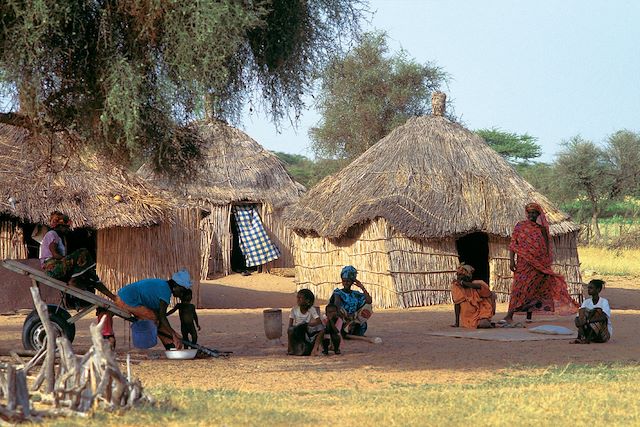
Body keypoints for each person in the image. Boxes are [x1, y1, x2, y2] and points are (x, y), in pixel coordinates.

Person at [502, 203, 577, 323]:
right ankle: (509, 315)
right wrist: (511, 261)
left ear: (538, 215)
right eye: (530, 213)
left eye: (534, 213)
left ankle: (528, 316)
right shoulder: (520, 226)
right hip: (523, 264)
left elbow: (546, 247)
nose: (531, 215)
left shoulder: (541, 230)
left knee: (534, 288)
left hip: (538, 265)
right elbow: (513, 245)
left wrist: (545, 263)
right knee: (518, 288)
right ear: (527, 214)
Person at [39, 211, 115, 301]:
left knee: (90, 274)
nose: (67, 230)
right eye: (66, 227)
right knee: (82, 251)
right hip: (52, 268)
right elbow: (55, 254)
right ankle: (74, 280)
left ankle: (113, 297)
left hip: (57, 266)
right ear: (60, 226)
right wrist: (70, 259)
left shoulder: (60, 237)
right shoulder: (52, 234)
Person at [115, 269, 193, 350]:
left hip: (124, 297)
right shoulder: (165, 292)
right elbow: (162, 317)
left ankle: (171, 343)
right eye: (181, 290)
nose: (181, 294)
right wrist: (173, 334)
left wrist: (173, 333)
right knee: (155, 319)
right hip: (126, 301)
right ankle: (171, 344)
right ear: (176, 286)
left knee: (157, 319)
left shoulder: (163, 285)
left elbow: (160, 315)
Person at [330, 266, 373, 337]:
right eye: (344, 281)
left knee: (368, 307)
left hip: (354, 319)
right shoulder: (338, 293)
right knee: (337, 312)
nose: (346, 283)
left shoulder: (356, 294)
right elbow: (337, 306)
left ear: (352, 282)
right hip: (342, 319)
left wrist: (362, 287)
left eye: (348, 281)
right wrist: (346, 317)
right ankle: (344, 328)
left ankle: (351, 328)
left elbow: (369, 301)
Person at [451, 263, 496, 329]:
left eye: (462, 275)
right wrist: (457, 323)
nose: (459, 278)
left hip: (481, 312)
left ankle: (487, 322)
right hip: (468, 317)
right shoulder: (456, 287)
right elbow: (457, 304)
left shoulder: (476, 283)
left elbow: (483, 289)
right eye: (459, 275)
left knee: (484, 324)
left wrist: (463, 283)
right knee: (481, 324)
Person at [573, 279, 612, 344]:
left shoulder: (604, 302)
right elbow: (578, 317)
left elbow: (604, 317)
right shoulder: (586, 302)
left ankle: (586, 339)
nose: (588, 289)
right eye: (588, 288)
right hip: (589, 332)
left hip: (602, 335)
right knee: (582, 312)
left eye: (591, 288)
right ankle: (580, 337)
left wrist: (588, 321)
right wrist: (579, 322)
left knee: (598, 311)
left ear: (598, 290)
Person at [287, 289, 323, 356]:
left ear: (307, 301)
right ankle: (291, 349)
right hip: (297, 329)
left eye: (300, 298)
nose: (298, 300)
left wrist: (308, 324)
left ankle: (315, 349)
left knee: (322, 329)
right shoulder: (294, 309)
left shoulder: (311, 309)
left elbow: (318, 321)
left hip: (306, 328)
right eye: (297, 298)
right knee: (290, 329)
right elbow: (290, 325)